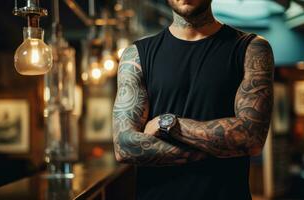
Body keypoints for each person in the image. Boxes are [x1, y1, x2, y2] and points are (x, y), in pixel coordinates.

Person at [112, 0, 274, 199]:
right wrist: (214, 150)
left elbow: (251, 138)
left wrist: (170, 124)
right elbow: (124, 146)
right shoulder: (136, 55)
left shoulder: (251, 49)